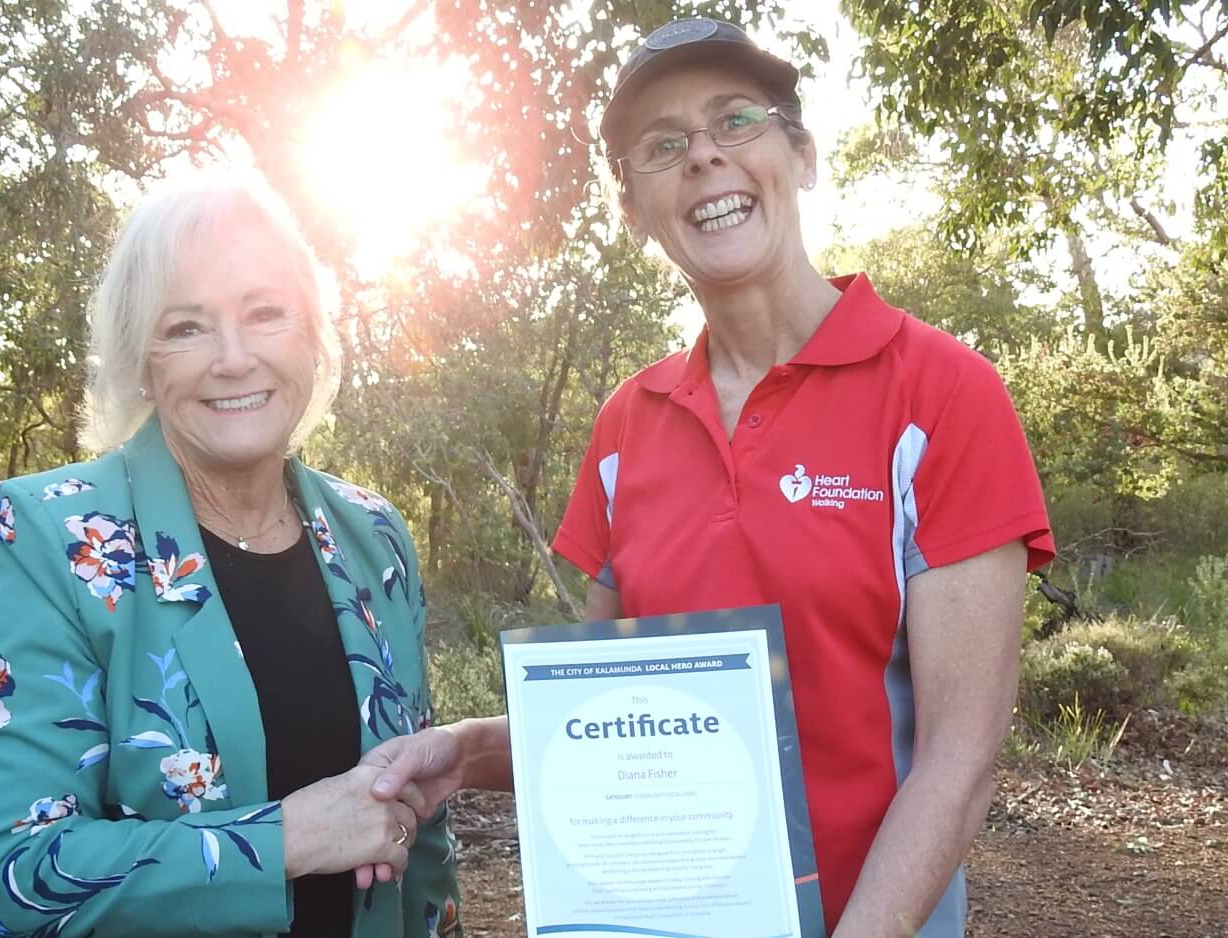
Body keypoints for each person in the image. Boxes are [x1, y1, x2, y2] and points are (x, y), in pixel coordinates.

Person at [365, 17, 1053, 938]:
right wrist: (469, 750)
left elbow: (959, 761)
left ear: (801, 156)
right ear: (633, 208)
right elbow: (617, 721)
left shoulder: (941, 395)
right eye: (663, 145)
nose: (704, 159)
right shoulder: (624, 425)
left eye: (737, 120)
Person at [0, 170, 463, 938]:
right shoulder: (54, 540)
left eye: (266, 314)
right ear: (142, 359)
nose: (234, 357)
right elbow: (21, 875)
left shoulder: (373, 536)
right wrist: (285, 841)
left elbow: (418, 842)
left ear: (313, 335)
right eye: (187, 327)